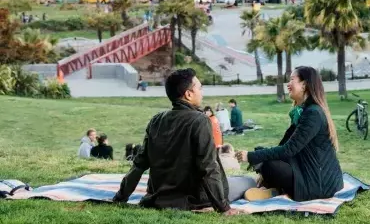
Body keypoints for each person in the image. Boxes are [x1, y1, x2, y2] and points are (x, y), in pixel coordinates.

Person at [113, 69, 241, 214]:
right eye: (199, 88)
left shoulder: (156, 120)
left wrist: (120, 198)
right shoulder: (200, 121)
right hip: (194, 200)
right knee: (245, 182)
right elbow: (208, 167)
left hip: (158, 198)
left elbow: (139, 164)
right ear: (188, 94)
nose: (202, 92)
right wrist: (223, 208)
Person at [236, 67, 343, 202]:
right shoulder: (303, 112)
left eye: (292, 80)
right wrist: (260, 159)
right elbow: (285, 146)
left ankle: (275, 190)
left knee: (268, 163)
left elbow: (289, 150)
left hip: (319, 184)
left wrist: (250, 156)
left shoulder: (313, 113)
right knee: (264, 155)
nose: (288, 84)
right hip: (307, 172)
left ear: (304, 85)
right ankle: (273, 188)